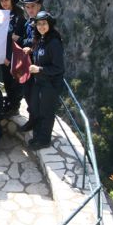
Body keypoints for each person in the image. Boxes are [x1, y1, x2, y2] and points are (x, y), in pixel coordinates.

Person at [27, 11, 64, 150]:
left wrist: (39, 69)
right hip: (40, 82)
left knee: (46, 112)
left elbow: (59, 68)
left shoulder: (54, 42)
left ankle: (44, 140)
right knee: (36, 109)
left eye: (44, 24)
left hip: (51, 84)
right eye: (38, 24)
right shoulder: (40, 40)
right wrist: (30, 51)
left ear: (50, 25)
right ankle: (37, 137)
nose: (41, 26)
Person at [0, 0, 27, 117]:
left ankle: (15, 106)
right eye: (2, 0)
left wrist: (9, 56)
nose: (4, 3)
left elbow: (19, 38)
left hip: (15, 54)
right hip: (2, 54)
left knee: (15, 81)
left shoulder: (20, 16)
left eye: (6, 0)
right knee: (7, 81)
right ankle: (9, 103)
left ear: (11, 1)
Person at [18, 0, 44, 132]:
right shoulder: (28, 22)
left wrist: (30, 47)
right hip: (28, 65)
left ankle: (36, 121)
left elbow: (43, 42)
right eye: (27, 7)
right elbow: (24, 40)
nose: (30, 9)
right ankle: (33, 119)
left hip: (38, 65)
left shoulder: (43, 22)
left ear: (39, 6)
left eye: (33, 6)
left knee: (35, 95)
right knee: (28, 93)